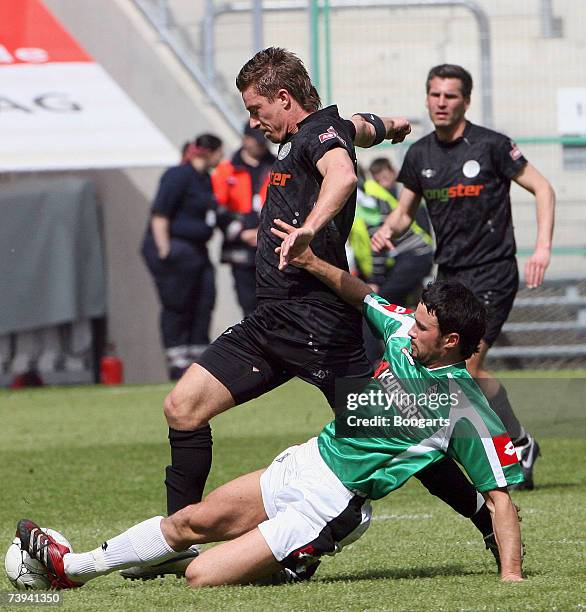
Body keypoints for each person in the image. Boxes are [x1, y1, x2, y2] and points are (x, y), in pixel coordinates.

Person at [124, 48, 499, 580]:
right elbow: (361, 129)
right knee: (182, 408)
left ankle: (484, 517)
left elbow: (342, 176)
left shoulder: (319, 139)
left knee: (392, 430)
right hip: (267, 323)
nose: (253, 122)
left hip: (320, 327)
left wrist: (308, 230)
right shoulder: (330, 128)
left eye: (258, 109)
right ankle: (174, 541)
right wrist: (390, 126)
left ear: (285, 98)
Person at [16, 273, 525, 589]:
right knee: (188, 524)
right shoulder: (399, 330)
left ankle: (288, 560)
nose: (408, 330)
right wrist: (310, 262)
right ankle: (71, 567)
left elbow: (501, 500)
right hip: (307, 461)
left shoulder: (464, 408)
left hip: (331, 505)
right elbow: (362, 295)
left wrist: (511, 578)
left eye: (421, 328)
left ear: (451, 341)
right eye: (412, 321)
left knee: (200, 576)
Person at [372, 64, 556, 490]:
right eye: (435, 95)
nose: (441, 103)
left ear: (466, 101)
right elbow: (403, 212)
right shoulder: (419, 154)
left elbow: (543, 189)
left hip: (493, 272)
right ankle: (520, 442)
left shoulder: (492, 146)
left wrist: (542, 247)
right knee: (462, 372)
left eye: (450, 96)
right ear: (426, 98)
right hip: (450, 276)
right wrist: (388, 230)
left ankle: (494, 456)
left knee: (465, 369)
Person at [141, 134, 223, 380]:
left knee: (203, 301)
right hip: (177, 250)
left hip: (197, 250)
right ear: (209, 152)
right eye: (220, 152)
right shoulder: (178, 175)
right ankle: (178, 362)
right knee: (178, 304)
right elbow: (160, 214)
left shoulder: (204, 179)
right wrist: (165, 251)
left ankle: (198, 361)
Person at [350, 158, 434, 363]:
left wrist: (375, 281)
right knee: (390, 308)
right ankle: (403, 359)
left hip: (412, 256)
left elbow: (378, 240)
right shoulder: (363, 194)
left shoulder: (364, 198)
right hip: (406, 259)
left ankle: (373, 365)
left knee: (373, 308)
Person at [212, 124, 276, 316]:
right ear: (246, 140)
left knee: (273, 304)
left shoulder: (277, 165)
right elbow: (217, 207)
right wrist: (241, 232)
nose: (261, 145)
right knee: (248, 304)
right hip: (240, 248)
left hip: (271, 245)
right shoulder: (227, 169)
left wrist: (262, 232)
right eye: (257, 140)